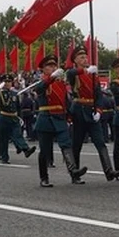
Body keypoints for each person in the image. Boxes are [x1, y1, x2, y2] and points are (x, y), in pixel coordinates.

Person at [66, 46, 119, 180]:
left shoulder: (93, 76)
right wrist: (84, 70)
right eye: (81, 58)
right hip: (79, 110)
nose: (85, 59)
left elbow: (99, 96)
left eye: (85, 57)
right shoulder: (74, 73)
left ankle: (109, 171)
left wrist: (99, 111)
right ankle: (75, 174)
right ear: (75, 60)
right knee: (77, 144)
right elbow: (71, 74)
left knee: (100, 142)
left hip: (92, 111)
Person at [35, 55, 88, 187]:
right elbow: (40, 89)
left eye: (54, 66)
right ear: (43, 69)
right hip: (46, 118)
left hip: (59, 118)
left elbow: (65, 100)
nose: (53, 68)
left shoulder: (60, 83)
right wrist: (51, 78)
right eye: (49, 66)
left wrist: (69, 115)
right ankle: (44, 177)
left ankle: (73, 171)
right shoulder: (41, 81)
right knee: (45, 150)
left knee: (66, 145)